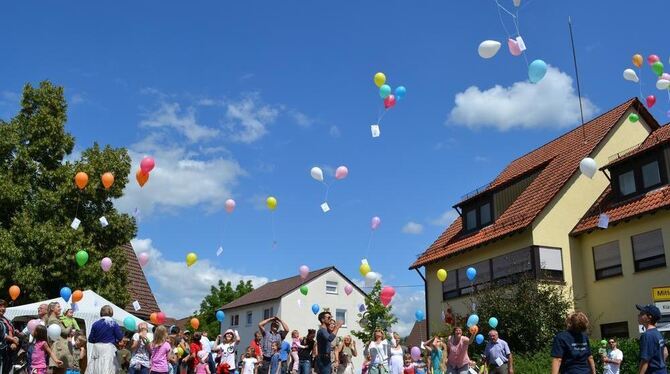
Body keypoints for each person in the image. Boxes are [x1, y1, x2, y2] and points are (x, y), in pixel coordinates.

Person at [88, 305, 124, 374]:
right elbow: (120, 337)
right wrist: (115, 340)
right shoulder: (113, 324)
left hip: (97, 349)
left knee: (95, 369)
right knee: (108, 369)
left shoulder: (95, 324)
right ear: (111, 313)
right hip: (108, 349)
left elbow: (90, 339)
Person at [636, 304, 668, 374]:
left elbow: (645, 361)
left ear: (649, 317)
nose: (639, 315)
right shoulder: (658, 333)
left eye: (642, 313)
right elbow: (665, 352)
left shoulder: (647, 335)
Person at [45, 302, 73, 374]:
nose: (60, 308)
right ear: (52, 308)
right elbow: (65, 332)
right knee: (60, 370)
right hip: (59, 348)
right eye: (58, 307)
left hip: (58, 347)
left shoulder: (53, 319)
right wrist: (70, 325)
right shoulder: (53, 320)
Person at [0, 299, 19, 374]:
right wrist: (13, 340)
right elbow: (1, 334)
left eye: (4, 306)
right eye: (0, 306)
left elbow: (11, 331)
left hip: (9, 350)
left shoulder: (6, 319)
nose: (3, 308)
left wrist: (15, 338)